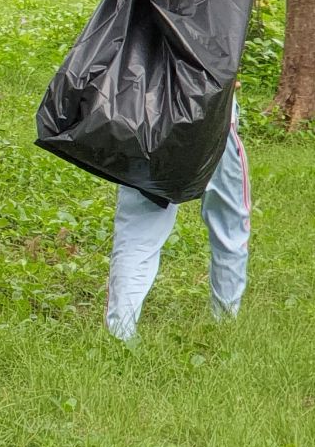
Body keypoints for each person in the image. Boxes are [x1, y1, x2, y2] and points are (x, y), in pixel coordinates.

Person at [105, 101, 250, 342]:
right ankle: (225, 326)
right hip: (213, 122)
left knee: (137, 233)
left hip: (147, 115)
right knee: (230, 225)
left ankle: (120, 334)